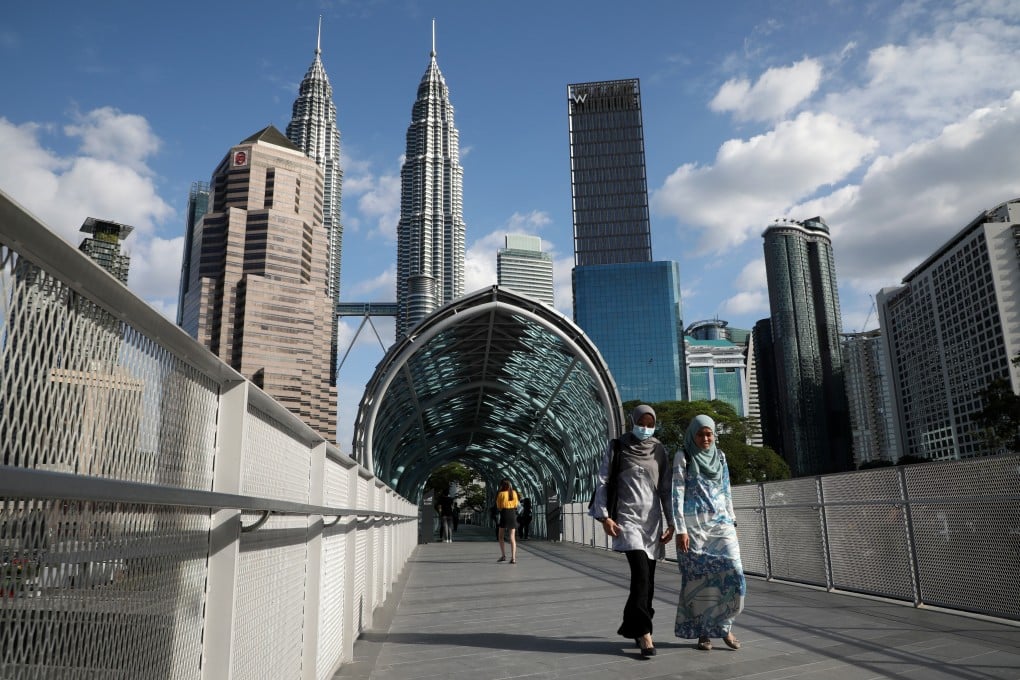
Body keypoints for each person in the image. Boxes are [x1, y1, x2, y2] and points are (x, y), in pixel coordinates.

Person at [589, 404, 675, 657]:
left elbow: (666, 489)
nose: (646, 428)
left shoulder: (659, 450)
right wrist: (604, 517)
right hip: (627, 519)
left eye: (650, 424)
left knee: (648, 579)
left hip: (652, 521)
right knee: (640, 574)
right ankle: (644, 633)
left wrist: (672, 523)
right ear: (632, 422)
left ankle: (635, 626)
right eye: (642, 423)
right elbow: (603, 481)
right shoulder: (617, 446)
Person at [673, 414, 746, 651]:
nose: (705, 438)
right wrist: (680, 529)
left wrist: (732, 519)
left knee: (734, 572)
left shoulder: (720, 456)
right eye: (700, 433)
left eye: (709, 433)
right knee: (699, 580)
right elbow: (676, 493)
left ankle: (724, 624)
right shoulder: (683, 456)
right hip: (694, 528)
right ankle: (704, 631)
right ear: (692, 435)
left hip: (721, 524)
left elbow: (726, 490)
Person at [495, 479, 520, 563]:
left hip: (504, 514)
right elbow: (516, 504)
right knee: (512, 537)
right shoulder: (514, 493)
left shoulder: (501, 494)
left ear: (502, 486)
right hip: (512, 514)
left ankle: (503, 555)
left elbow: (499, 506)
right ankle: (513, 558)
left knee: (501, 536)